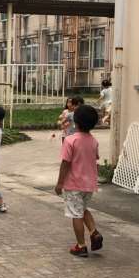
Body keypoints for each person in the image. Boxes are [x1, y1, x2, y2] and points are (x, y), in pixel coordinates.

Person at [55, 104, 103, 257]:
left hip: (74, 184)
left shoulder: (70, 140)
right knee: (82, 209)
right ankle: (94, 232)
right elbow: (95, 159)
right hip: (89, 184)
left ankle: (81, 246)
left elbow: (65, 163)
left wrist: (60, 183)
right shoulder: (94, 141)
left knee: (76, 215)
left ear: (75, 121)